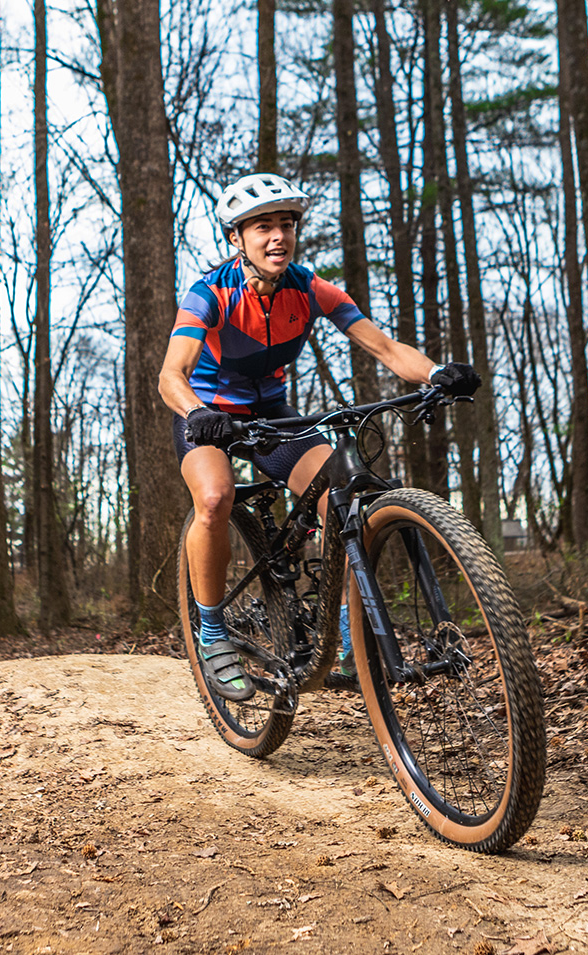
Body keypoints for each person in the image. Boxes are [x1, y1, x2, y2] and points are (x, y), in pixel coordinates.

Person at [158, 172, 480, 701]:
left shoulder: (311, 289)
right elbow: (172, 374)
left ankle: (351, 631)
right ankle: (213, 631)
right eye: (263, 226)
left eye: (286, 224)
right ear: (236, 238)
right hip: (208, 413)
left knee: (342, 501)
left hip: (272, 413)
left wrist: (436, 373)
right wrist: (197, 412)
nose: (278, 236)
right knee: (214, 498)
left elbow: (384, 347)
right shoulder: (209, 293)